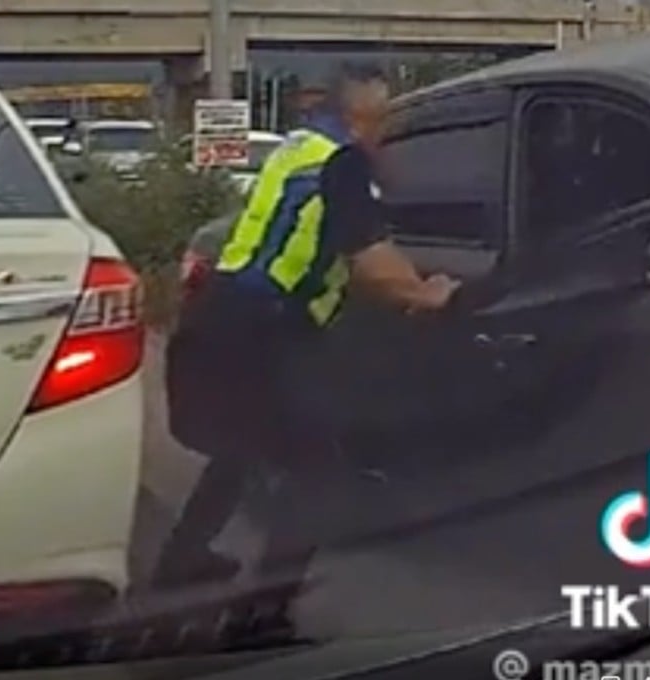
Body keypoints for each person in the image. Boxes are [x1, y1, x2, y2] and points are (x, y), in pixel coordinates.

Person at [151, 62, 462, 597]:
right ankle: (266, 607)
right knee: (319, 474)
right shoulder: (344, 162)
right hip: (270, 326)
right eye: (380, 120)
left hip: (223, 309)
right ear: (357, 119)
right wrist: (424, 294)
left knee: (241, 448)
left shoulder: (296, 148)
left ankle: (180, 562)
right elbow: (369, 258)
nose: (385, 134)